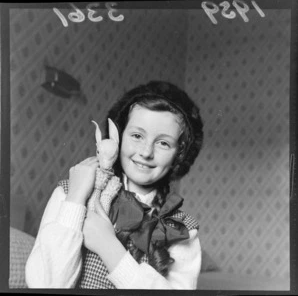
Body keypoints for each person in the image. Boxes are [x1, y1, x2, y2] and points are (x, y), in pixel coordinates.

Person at [25, 80, 204, 289]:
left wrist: (108, 247)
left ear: (179, 154)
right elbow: (45, 285)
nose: (146, 152)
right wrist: (75, 200)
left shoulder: (182, 229)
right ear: (117, 137)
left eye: (163, 143)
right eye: (137, 136)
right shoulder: (69, 192)